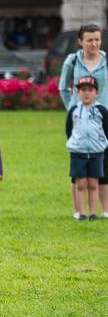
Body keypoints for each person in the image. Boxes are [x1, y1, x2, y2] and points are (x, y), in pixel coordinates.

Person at [59, 23, 108, 218]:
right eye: (89, 40)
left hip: (102, 118)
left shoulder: (106, 61)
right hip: (79, 120)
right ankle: (78, 211)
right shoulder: (72, 61)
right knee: (78, 165)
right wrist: (72, 109)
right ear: (81, 42)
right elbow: (63, 87)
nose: (94, 44)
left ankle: (104, 210)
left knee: (104, 165)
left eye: (97, 39)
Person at [65, 76, 108, 221]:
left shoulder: (101, 110)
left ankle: (93, 213)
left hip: (96, 153)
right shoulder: (74, 110)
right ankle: (82, 213)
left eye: (90, 90)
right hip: (78, 153)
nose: (86, 93)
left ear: (97, 92)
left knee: (93, 184)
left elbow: (106, 129)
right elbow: (69, 130)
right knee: (81, 183)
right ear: (78, 92)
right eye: (83, 90)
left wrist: (102, 144)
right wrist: (76, 143)